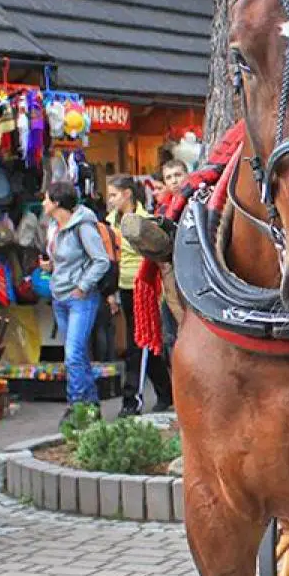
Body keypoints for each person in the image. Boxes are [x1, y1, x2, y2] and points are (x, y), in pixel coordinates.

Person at [43, 179, 112, 416]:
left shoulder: (83, 226)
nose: (43, 203)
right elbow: (61, 259)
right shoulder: (53, 227)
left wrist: (83, 286)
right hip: (59, 295)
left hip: (80, 298)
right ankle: (91, 405)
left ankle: (76, 405)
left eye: (46, 199)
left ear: (57, 203)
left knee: (72, 354)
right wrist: (49, 265)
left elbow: (101, 260)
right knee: (77, 353)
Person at [106, 175, 173, 416]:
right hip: (123, 287)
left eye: (113, 194)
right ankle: (166, 393)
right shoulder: (109, 222)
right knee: (145, 343)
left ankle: (131, 400)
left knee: (138, 345)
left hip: (144, 288)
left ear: (127, 194)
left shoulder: (145, 221)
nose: (110, 200)